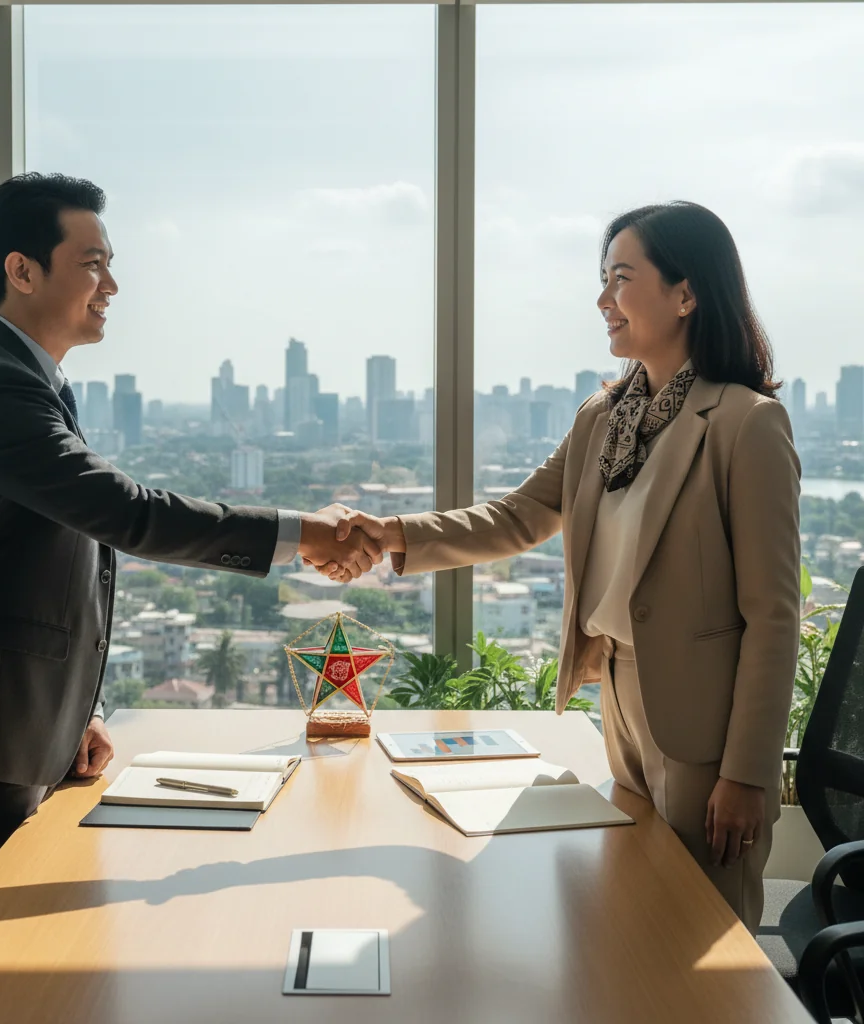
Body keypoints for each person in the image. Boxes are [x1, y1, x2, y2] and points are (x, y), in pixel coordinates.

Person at [0, 172, 380, 914]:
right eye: (91, 264)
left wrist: (83, 709)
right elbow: (125, 514)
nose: (111, 284)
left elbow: (44, 573)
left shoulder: (30, 379)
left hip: (13, 722)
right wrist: (302, 536)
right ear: (21, 270)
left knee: (38, 954)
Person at [321, 202, 801, 934]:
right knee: (631, 924)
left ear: (686, 293)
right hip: (620, 706)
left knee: (703, 943)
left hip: (707, 730)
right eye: (602, 281)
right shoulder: (601, 418)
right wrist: (388, 533)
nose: (603, 301)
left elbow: (773, 616)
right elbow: (515, 518)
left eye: (620, 279)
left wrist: (748, 773)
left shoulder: (744, 423)